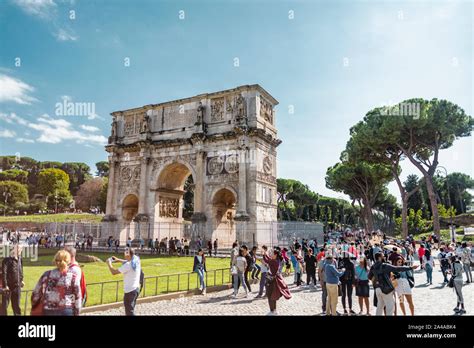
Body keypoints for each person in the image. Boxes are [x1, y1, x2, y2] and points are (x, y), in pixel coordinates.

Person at [31, 250, 82, 315]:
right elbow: (77, 295)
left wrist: (34, 303)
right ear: (68, 261)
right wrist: (77, 311)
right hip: (66, 309)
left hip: (49, 309)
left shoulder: (47, 275)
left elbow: (36, 292)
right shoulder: (73, 276)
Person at [107, 247, 142, 316]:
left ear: (128, 255)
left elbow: (114, 272)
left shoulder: (128, 265)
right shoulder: (136, 259)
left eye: (125, 254)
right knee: (131, 309)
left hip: (130, 291)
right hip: (136, 289)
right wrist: (118, 260)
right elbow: (127, 261)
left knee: (129, 312)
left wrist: (109, 263)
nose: (124, 255)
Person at [263, 248, 291, 315]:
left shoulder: (274, 261)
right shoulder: (276, 260)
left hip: (272, 280)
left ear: (275, 255)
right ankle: (274, 310)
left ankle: (272, 311)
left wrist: (264, 254)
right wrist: (265, 254)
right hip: (273, 280)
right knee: (273, 296)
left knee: (270, 296)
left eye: (272, 253)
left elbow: (266, 260)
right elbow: (268, 259)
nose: (271, 254)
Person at [1, 244, 24, 315]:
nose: (18, 250)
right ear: (13, 249)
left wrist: (21, 280)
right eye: (16, 249)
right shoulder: (6, 260)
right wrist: (5, 285)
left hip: (17, 287)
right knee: (4, 306)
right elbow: (4, 273)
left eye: (19, 249)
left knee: (16, 306)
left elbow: (20, 271)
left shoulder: (20, 259)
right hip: (8, 288)